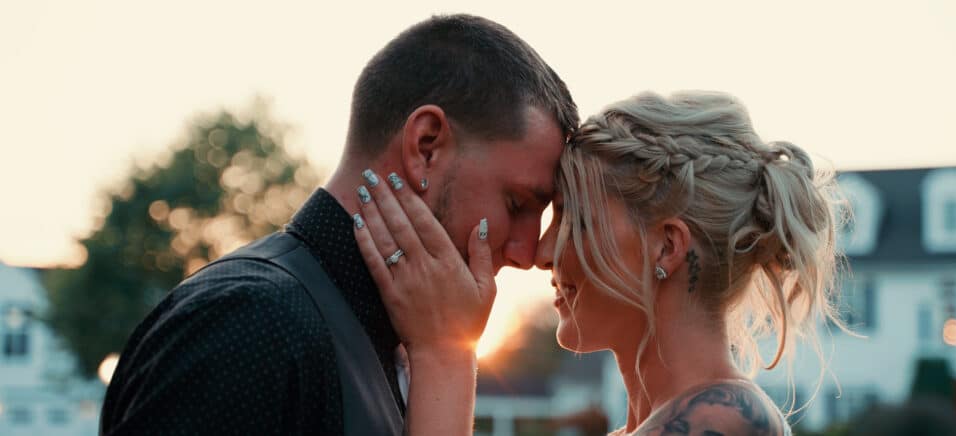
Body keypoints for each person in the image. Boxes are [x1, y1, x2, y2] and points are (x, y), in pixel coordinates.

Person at [99, 14, 577, 435]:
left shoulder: (388, 343)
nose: (526, 252)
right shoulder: (252, 322)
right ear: (426, 145)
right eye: (516, 204)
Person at [355, 91, 846, 435]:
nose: (543, 254)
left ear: (666, 248)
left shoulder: (727, 418)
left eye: (573, 221)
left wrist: (446, 350)